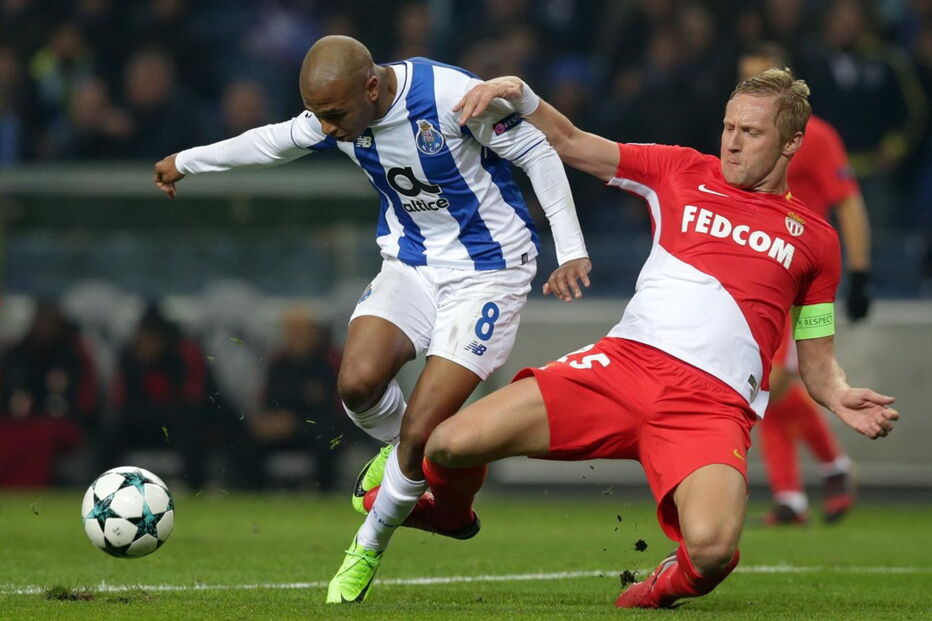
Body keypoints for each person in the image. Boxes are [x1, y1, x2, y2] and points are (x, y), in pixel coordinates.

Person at [425, 67, 899, 609]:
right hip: (622, 369)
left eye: (751, 132)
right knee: (448, 444)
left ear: (792, 142)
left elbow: (816, 359)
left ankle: (657, 589)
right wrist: (524, 96)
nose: (732, 142)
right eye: (728, 127)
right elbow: (571, 142)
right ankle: (450, 515)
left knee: (713, 551)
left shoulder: (817, 241)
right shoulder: (679, 169)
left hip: (710, 407)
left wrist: (838, 394)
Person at [152, 35, 591, 603]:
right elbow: (272, 142)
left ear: (372, 87)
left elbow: (537, 152)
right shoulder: (338, 114)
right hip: (411, 264)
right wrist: (184, 162)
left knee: (423, 427)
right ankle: (403, 454)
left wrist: (570, 249)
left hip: (489, 272)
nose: (327, 128)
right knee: (357, 385)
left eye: (335, 115)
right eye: (318, 115)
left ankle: (367, 545)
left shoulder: (449, 95)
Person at [739, 43, 871, 525]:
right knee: (766, 385)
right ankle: (793, 496)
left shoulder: (816, 137)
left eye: (763, 80)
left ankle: (830, 468)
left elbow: (848, 200)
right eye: (746, 81)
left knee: (772, 381)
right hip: (759, 277)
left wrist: (860, 272)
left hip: (803, 282)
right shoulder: (741, 138)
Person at [0, 300, 99, 487]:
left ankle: (30, 488)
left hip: (61, 423)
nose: (44, 328)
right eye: (41, 322)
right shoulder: (17, 354)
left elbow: (86, 401)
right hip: (20, 421)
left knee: (43, 437)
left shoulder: (73, 356)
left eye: (50, 323)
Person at [250, 307, 344, 491]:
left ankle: (324, 491)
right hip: (281, 427)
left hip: (320, 426)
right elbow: (268, 400)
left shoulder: (329, 361)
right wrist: (271, 421)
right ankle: (253, 492)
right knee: (247, 438)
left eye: (300, 331)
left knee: (326, 439)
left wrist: (296, 422)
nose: (295, 337)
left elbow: (335, 407)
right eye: (290, 331)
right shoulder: (277, 363)